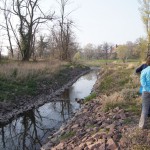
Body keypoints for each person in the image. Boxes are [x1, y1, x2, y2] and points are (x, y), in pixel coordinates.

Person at [139, 56, 150, 129]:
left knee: (145, 109)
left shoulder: (144, 70)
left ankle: (141, 126)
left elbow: (143, 82)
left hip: (146, 91)